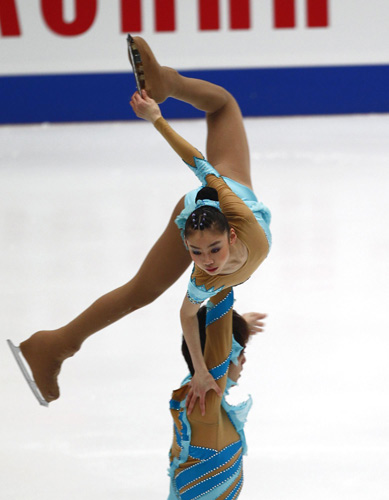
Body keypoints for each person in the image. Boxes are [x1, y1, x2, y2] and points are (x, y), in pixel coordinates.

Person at [8, 36, 271, 408]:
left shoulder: (214, 263)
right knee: (142, 291)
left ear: (229, 236)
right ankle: (55, 345)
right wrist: (156, 119)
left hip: (230, 190)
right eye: (196, 252)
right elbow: (196, 162)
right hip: (215, 193)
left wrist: (235, 325)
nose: (205, 260)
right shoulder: (214, 253)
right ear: (189, 243)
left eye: (211, 251)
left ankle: (167, 81)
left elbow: (200, 307)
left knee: (223, 104)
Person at [168, 289, 265, 499]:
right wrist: (222, 267)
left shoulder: (193, 387)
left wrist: (240, 327)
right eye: (240, 352)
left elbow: (205, 350)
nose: (244, 360)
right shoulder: (204, 408)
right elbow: (212, 347)